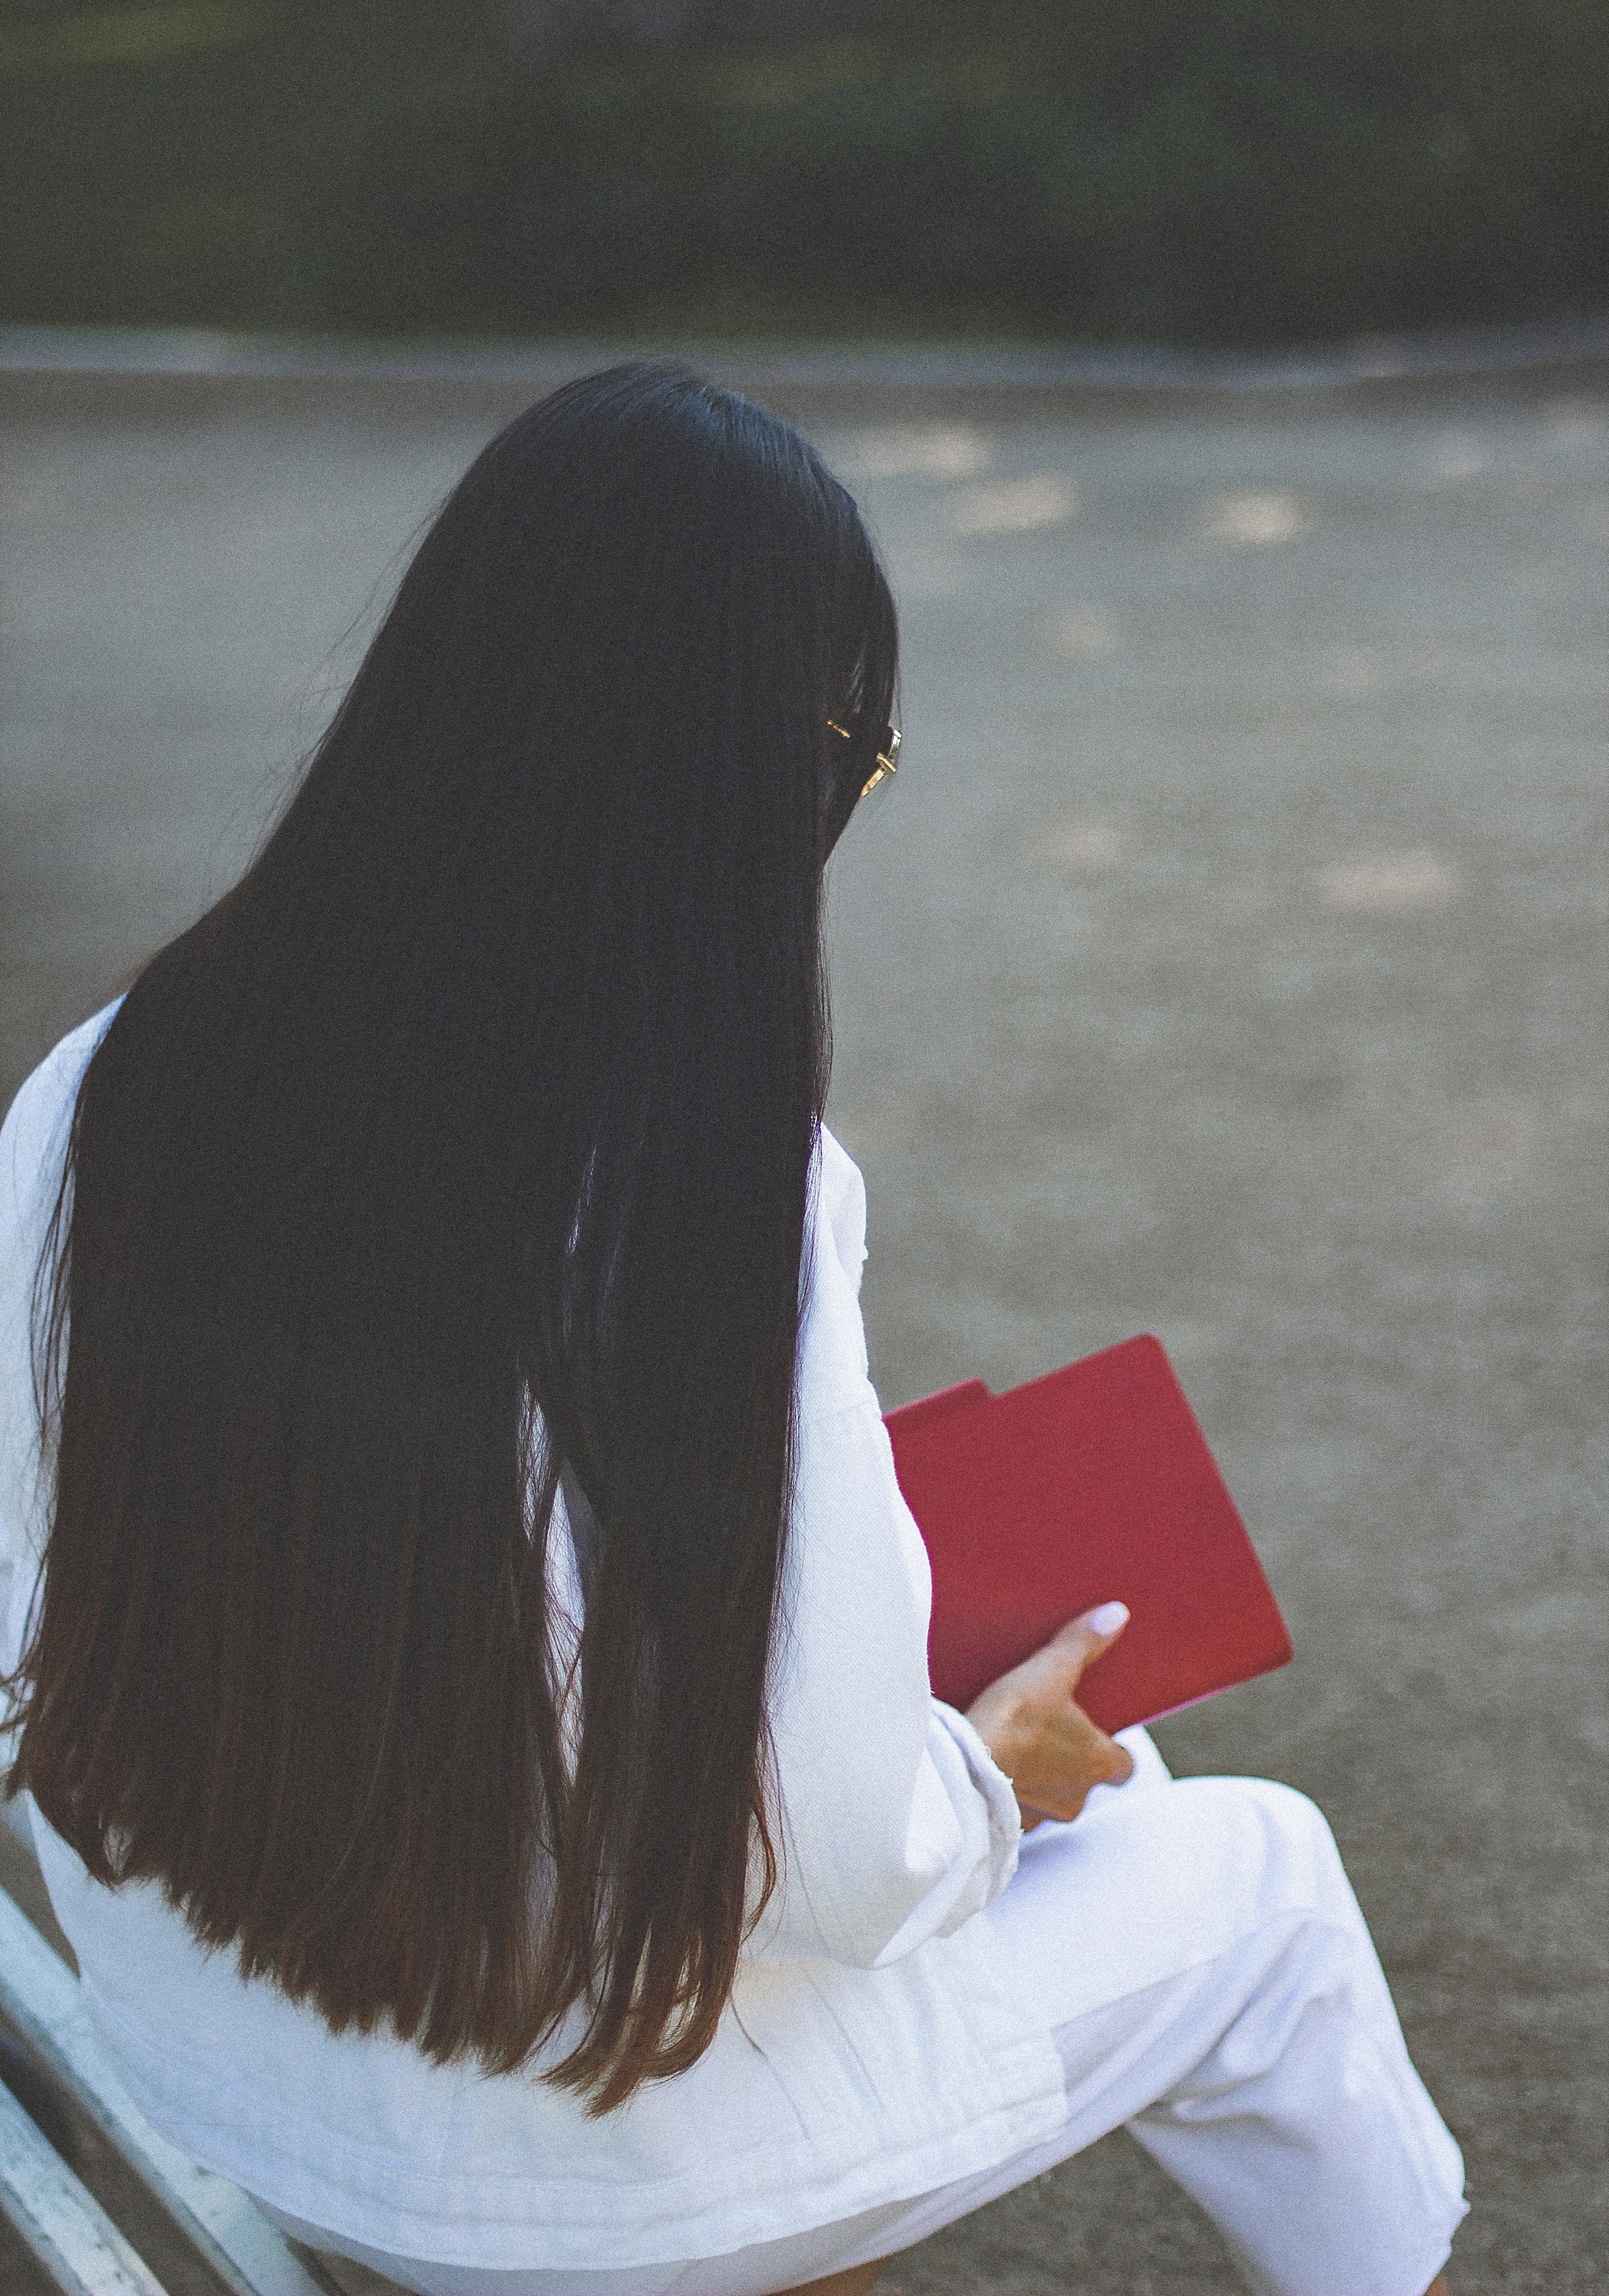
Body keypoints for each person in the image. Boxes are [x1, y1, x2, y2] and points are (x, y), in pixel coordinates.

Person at [0, 364, 1465, 2296]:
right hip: (581, 2171)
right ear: (744, 779)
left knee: (1044, 1803)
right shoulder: (698, 1186)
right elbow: (841, 1851)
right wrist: (987, 1780)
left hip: (230, 2049)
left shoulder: (109, 1082)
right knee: (1255, 1878)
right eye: (851, 762)